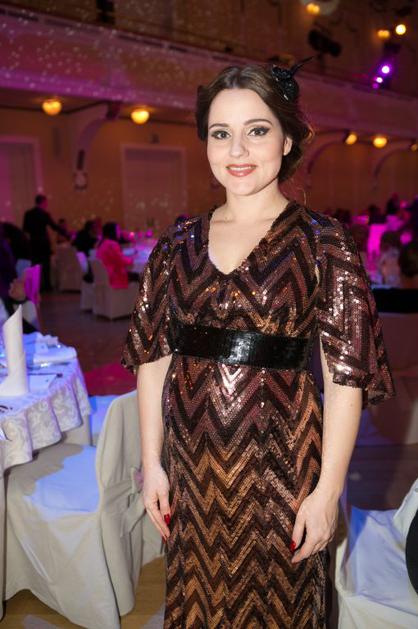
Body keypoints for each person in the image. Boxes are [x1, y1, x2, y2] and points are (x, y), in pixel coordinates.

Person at [122, 62, 395, 628]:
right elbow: (153, 360)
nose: (237, 150)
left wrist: (327, 492)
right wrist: (152, 465)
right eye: (221, 133)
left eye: (258, 129)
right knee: (198, 603)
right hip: (193, 467)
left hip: (283, 470)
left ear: (287, 139)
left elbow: (345, 380)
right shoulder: (176, 244)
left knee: (282, 607)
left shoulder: (323, 243)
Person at [22, 193, 67, 290]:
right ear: (42, 202)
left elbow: (25, 228)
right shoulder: (45, 214)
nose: (46, 204)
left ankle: (35, 285)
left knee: (35, 265)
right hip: (43, 243)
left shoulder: (28, 214)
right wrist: (66, 233)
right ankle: (47, 285)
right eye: (46, 202)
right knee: (46, 265)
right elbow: (54, 226)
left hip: (33, 243)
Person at [96, 221, 138, 288]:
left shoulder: (103, 243)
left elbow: (117, 258)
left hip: (105, 277)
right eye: (118, 230)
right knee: (141, 277)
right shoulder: (112, 244)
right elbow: (122, 260)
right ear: (112, 232)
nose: (120, 232)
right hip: (114, 278)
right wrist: (132, 259)